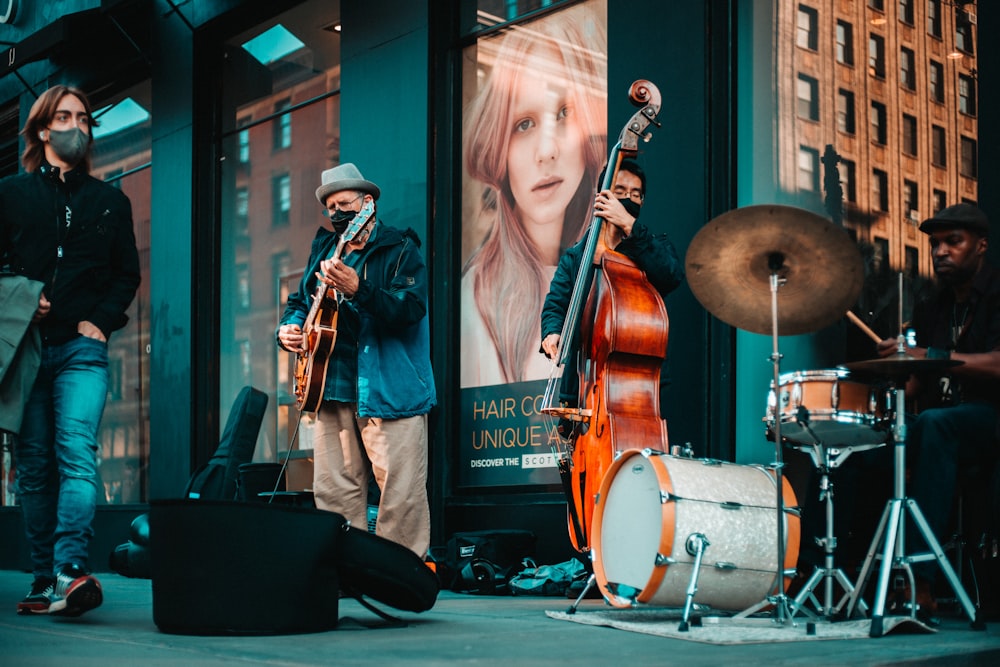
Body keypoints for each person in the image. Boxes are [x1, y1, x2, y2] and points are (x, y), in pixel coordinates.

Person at [0, 85, 141, 616]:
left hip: (82, 351)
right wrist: (21, 295)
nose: (76, 127)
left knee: (78, 454)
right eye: (64, 117)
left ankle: (69, 570)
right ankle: (41, 579)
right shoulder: (11, 193)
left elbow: (126, 274)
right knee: (34, 468)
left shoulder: (110, 201)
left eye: (84, 118)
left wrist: (101, 322)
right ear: (41, 130)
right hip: (27, 351)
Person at [276, 163, 436, 558]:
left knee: (400, 493)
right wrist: (288, 329)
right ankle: (344, 573)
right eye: (330, 207)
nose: (336, 213)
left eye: (344, 203)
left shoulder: (401, 248)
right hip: (332, 384)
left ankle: (398, 577)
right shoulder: (324, 249)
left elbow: (409, 309)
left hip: (390, 389)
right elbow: (299, 303)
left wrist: (359, 289)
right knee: (334, 490)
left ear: (368, 204)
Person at [460, 16, 608, 387]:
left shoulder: (605, 265)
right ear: (500, 149)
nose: (547, 151)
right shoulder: (476, 298)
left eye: (563, 114)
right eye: (523, 124)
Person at [875, 203, 1000, 613]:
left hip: (988, 418)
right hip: (940, 423)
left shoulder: (997, 293)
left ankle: (918, 580)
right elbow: (915, 384)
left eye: (953, 242)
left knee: (934, 425)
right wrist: (897, 365)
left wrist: (928, 352)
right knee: (866, 440)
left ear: (980, 246)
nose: (940, 251)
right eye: (935, 244)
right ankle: (828, 574)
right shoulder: (934, 306)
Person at [540, 159, 685, 414]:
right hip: (582, 389)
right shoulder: (576, 257)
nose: (627, 199)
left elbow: (671, 275)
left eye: (635, 195)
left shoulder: (651, 247)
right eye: (619, 192)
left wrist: (629, 225)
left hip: (638, 391)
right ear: (602, 196)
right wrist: (552, 332)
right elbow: (556, 305)